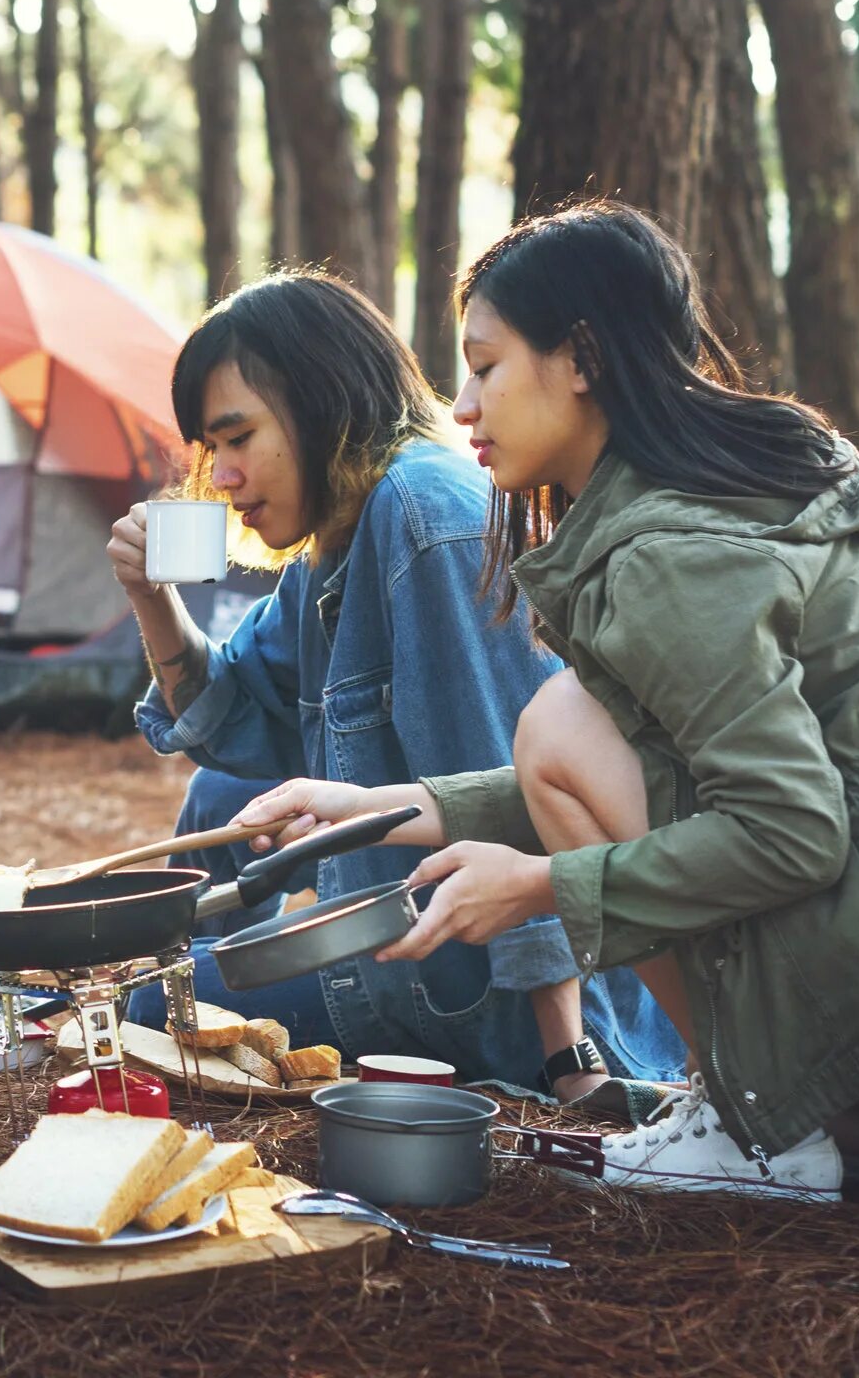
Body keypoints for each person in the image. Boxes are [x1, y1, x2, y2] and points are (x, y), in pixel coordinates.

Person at [230, 201, 859, 1200]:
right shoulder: (756, 479)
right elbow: (661, 773)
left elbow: (790, 832)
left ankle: (753, 1130)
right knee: (571, 729)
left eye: (484, 365)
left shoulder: (668, 554)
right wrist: (385, 810)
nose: (463, 404)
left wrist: (536, 888)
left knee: (561, 722)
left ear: (579, 357)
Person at [111, 271, 681, 1105]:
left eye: (240, 438)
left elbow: (523, 790)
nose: (223, 478)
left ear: (321, 402)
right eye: (211, 450)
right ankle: (198, 978)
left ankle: (189, 992)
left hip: (478, 993)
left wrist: (567, 1061)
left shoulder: (423, 520)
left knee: (145, 1005)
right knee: (220, 793)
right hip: (410, 942)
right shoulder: (336, 540)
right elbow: (229, 721)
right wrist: (152, 600)